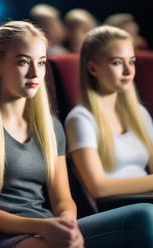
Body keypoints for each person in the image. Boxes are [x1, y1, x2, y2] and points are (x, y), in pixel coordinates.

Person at [0, 20, 153, 248]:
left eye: (40, 63)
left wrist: (67, 220)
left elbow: (63, 200)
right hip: (7, 235)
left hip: (49, 227)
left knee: (143, 215)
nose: (34, 73)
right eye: (23, 62)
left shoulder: (50, 125)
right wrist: (44, 227)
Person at [65, 25, 153, 200]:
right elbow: (98, 188)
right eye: (117, 62)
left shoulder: (139, 112)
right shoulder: (81, 118)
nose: (128, 71)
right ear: (93, 69)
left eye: (132, 61)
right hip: (116, 207)